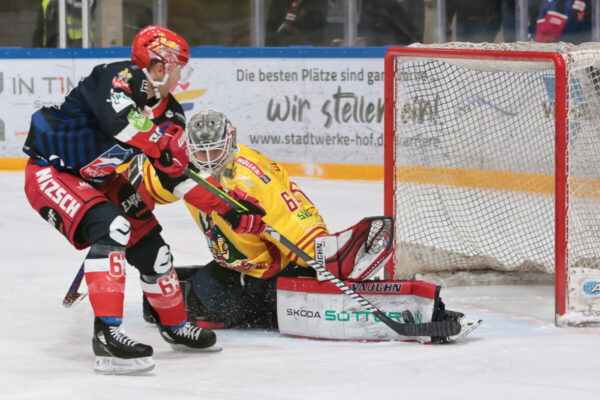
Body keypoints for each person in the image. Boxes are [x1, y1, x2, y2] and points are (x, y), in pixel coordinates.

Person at [22, 26, 266, 374]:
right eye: (177, 66)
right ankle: (107, 335)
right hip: (53, 173)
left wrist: (227, 207)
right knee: (114, 228)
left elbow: (177, 178)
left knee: (155, 250)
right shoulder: (116, 76)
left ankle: (176, 325)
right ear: (158, 65)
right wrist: (158, 143)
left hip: (102, 179)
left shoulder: (172, 116)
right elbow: (120, 122)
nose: (181, 75)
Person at [129, 110, 480, 344]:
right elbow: (151, 187)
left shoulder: (254, 177)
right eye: (200, 153)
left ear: (230, 141)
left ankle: (422, 308)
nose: (207, 160)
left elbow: (296, 217)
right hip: (236, 267)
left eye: (215, 151)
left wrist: (321, 257)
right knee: (188, 302)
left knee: (251, 305)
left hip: (278, 267)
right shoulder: (187, 169)